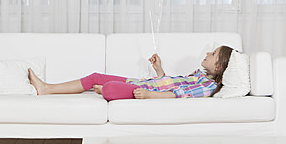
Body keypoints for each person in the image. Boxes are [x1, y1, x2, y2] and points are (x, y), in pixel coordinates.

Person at [28, 45, 234, 101]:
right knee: (94, 77)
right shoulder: (199, 75)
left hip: (143, 90)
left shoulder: (208, 87)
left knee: (108, 89)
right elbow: (170, 84)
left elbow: (179, 95)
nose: (208, 52)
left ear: (218, 67)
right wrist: (160, 71)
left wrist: (151, 95)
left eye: (213, 53)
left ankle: (108, 91)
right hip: (143, 83)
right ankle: (46, 89)